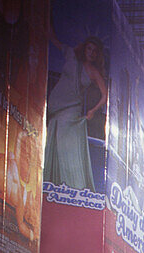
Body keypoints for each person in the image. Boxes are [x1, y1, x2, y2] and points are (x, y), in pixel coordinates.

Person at [44, 32, 107, 192]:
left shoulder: (94, 72)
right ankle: (50, 186)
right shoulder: (71, 55)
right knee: (53, 147)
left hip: (71, 110)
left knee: (68, 149)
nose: (91, 53)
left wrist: (92, 111)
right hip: (54, 108)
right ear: (85, 48)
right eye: (89, 48)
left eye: (94, 51)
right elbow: (54, 39)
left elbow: (105, 94)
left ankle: (72, 189)